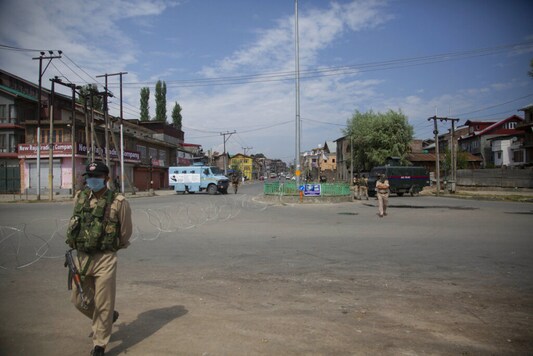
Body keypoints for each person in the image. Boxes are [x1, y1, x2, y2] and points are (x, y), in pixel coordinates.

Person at [65, 161, 132, 356]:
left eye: (97, 177)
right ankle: (109, 317)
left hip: (105, 258)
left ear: (106, 179)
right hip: (82, 257)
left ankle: (99, 344)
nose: (93, 180)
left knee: (103, 301)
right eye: (90, 177)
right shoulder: (80, 197)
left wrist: (110, 247)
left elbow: (126, 232)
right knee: (79, 300)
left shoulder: (119, 201)